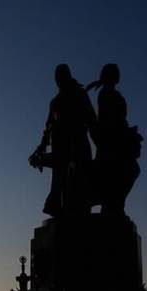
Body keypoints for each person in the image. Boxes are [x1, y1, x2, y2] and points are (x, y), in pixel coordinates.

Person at [30, 64, 96, 216]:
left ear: (67, 76)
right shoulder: (55, 102)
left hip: (78, 144)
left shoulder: (79, 94)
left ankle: (75, 212)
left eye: (60, 76)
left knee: (78, 184)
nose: (58, 80)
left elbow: (92, 119)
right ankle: (59, 209)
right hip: (60, 146)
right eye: (56, 77)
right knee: (60, 184)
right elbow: (48, 127)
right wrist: (41, 146)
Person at [87, 64, 142, 215]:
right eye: (115, 73)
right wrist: (125, 133)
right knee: (127, 171)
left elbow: (117, 119)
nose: (118, 76)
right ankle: (112, 204)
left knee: (127, 171)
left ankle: (113, 204)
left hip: (116, 139)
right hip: (112, 141)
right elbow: (110, 120)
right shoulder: (107, 94)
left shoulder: (110, 93)